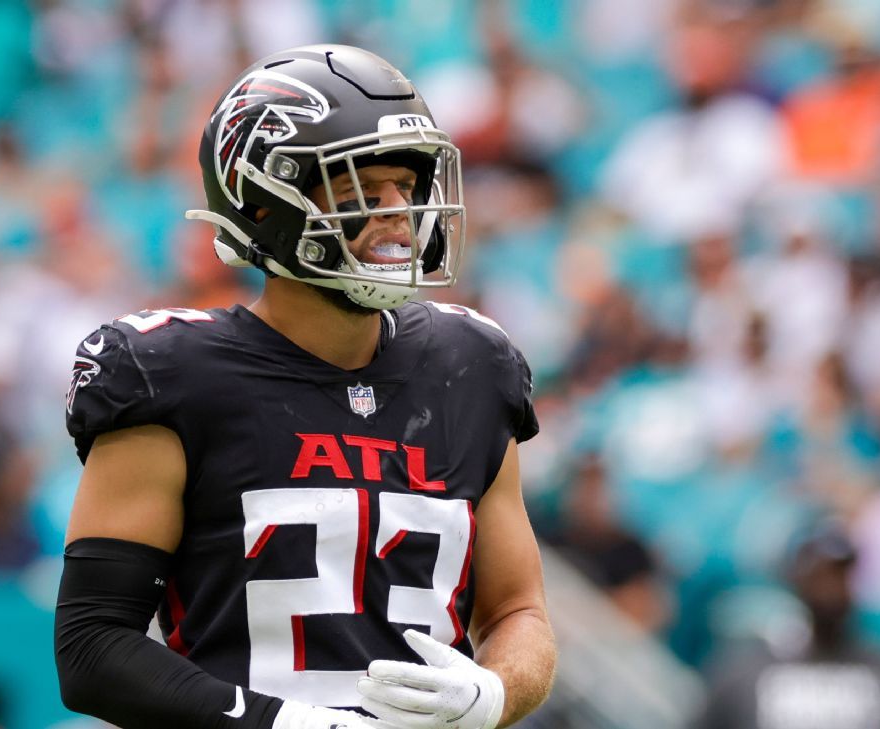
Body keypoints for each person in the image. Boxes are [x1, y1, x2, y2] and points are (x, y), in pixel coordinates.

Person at [54, 44, 556, 729]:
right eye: (359, 192)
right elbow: (93, 647)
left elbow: (518, 611)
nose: (398, 215)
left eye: (405, 189)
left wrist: (493, 694)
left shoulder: (470, 365)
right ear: (261, 205)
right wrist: (287, 723)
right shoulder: (174, 376)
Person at [693, 523, 880, 729]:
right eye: (820, 576)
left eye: (840, 576)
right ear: (796, 580)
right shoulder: (741, 674)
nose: (831, 590)